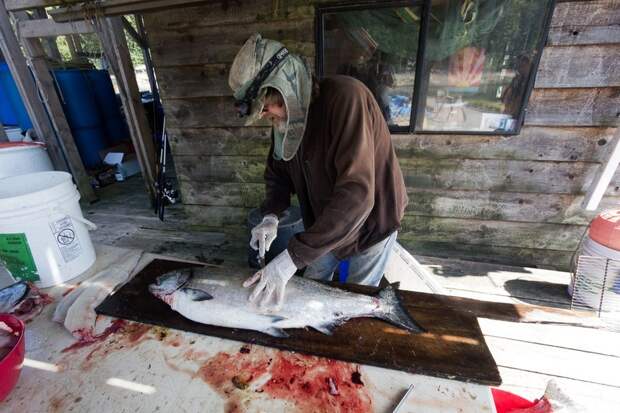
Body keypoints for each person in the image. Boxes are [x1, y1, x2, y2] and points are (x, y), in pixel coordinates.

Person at [228, 33, 408, 311]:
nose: (265, 115)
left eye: (267, 106)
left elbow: (357, 196)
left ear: (287, 90)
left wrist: (291, 258)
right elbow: (277, 174)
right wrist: (271, 216)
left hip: (372, 222)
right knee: (308, 288)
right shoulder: (286, 121)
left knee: (355, 299)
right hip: (325, 222)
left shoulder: (346, 99)